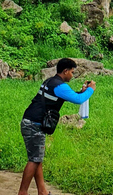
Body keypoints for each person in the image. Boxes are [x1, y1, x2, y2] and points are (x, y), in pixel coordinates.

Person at [18, 58, 96, 195]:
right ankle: (22, 192)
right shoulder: (60, 86)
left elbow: (71, 96)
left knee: (37, 158)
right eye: (72, 72)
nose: (72, 75)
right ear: (65, 71)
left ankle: (42, 191)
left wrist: (82, 91)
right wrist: (90, 90)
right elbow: (78, 100)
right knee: (34, 160)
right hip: (35, 125)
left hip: (29, 120)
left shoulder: (50, 81)